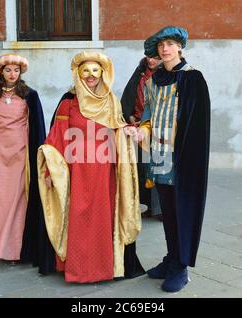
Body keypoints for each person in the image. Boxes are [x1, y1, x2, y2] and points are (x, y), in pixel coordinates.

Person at [36, 51, 145, 283]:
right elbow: (56, 136)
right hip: (77, 170)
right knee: (78, 216)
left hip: (104, 171)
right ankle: (78, 270)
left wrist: (126, 130)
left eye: (95, 71)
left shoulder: (111, 100)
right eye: (86, 71)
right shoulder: (68, 103)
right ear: (78, 74)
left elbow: (118, 127)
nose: (91, 76)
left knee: (102, 219)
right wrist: (48, 170)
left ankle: (103, 268)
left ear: (103, 73)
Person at [125, 26, 210, 292]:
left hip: (182, 158)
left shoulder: (193, 78)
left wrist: (187, 157)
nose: (165, 49)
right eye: (162, 45)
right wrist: (139, 130)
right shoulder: (152, 81)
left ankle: (181, 266)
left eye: (171, 44)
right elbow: (148, 116)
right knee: (168, 212)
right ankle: (171, 258)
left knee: (182, 211)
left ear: (180, 47)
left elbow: (197, 125)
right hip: (158, 156)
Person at [0, 54, 56, 275]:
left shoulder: (29, 96)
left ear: (21, 73)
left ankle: (14, 249)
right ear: (1, 73)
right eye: (8, 70)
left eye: (16, 70)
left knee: (19, 200)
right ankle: (1, 241)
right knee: (1, 200)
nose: (12, 74)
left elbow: (37, 128)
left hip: (21, 155)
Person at [121, 55, 163, 221]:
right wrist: (130, 117)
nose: (152, 61)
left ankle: (161, 209)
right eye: (149, 57)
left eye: (156, 58)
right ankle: (145, 205)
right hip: (137, 126)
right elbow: (128, 97)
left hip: (158, 129)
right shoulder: (139, 73)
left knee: (159, 166)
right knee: (141, 166)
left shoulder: (166, 75)